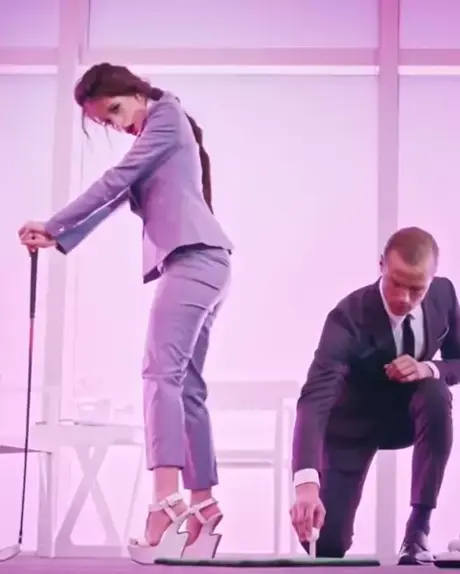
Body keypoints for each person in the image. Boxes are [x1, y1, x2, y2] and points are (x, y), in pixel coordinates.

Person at [18, 63, 233, 563]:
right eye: (106, 122)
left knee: (159, 375)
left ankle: (164, 503)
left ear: (136, 91)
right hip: (207, 262)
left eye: (115, 111)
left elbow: (114, 179)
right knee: (186, 387)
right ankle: (203, 505)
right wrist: (58, 236)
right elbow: (116, 196)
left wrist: (53, 222)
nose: (116, 124)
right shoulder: (159, 135)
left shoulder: (166, 115)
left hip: (194, 259)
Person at [290, 226, 460, 565]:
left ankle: (418, 530)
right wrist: (306, 483)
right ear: (381, 265)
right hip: (353, 424)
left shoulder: (444, 295)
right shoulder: (347, 317)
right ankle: (331, 536)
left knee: (435, 391)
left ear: (432, 279)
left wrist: (428, 368)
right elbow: (315, 396)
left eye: (417, 289)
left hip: (409, 415)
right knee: (328, 544)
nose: (405, 299)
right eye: (396, 283)